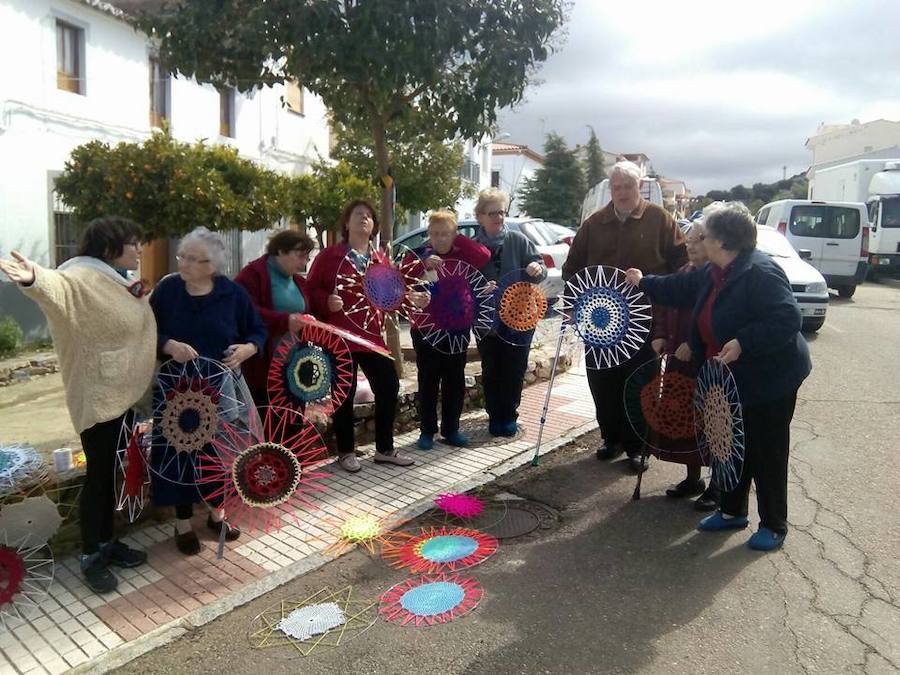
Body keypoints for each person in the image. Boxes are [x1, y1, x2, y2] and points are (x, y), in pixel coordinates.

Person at [626, 202, 811, 551]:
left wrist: (744, 342)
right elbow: (677, 288)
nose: (697, 240)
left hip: (769, 378)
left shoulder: (760, 272)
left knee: (765, 450)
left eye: (704, 235)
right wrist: (643, 282)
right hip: (727, 377)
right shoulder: (713, 271)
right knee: (729, 446)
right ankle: (732, 511)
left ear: (723, 241)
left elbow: (787, 319)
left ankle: (773, 524)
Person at [0, 217, 156, 593]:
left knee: (111, 474)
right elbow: (58, 287)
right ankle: (91, 554)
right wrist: (33, 278)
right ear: (107, 247)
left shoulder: (115, 278)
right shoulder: (81, 276)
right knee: (98, 479)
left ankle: (107, 542)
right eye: (132, 243)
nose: (139, 249)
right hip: (97, 396)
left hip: (120, 393)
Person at [562, 160, 687, 472]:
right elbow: (571, 269)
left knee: (640, 383)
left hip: (643, 320)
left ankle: (638, 446)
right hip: (598, 319)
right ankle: (611, 438)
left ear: (640, 185)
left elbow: (682, 265)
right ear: (610, 188)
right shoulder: (594, 224)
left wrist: (657, 290)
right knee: (602, 380)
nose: (622, 192)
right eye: (616, 187)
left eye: (628, 186)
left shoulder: (659, 219)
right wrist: (577, 301)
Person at [150, 226, 267, 555]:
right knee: (177, 454)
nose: (183, 263)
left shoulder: (232, 294)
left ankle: (218, 514)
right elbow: (145, 331)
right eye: (182, 256)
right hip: (176, 391)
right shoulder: (168, 290)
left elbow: (257, 330)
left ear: (211, 265)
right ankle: (182, 522)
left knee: (220, 454)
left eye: (192, 259)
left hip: (219, 390)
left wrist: (248, 349)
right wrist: (168, 344)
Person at [305, 199, 420, 472]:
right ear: (346, 223)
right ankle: (346, 452)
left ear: (374, 226)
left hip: (371, 338)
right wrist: (325, 301)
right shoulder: (329, 257)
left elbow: (389, 297)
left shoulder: (379, 258)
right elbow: (308, 290)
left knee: (389, 385)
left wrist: (412, 298)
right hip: (339, 337)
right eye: (358, 215)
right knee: (343, 394)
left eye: (368, 216)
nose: (364, 219)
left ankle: (385, 450)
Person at [409, 210, 491, 450]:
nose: (440, 239)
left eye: (446, 233)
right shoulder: (419, 256)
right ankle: (427, 431)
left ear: (454, 234)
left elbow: (483, 254)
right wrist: (424, 261)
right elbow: (401, 279)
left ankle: (451, 429)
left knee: (454, 379)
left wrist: (459, 240)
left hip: (457, 328)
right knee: (428, 380)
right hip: (426, 330)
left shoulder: (463, 253)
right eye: (435, 234)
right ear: (428, 235)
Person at [473, 188, 547, 437]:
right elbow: (464, 283)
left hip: (519, 318)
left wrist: (537, 268)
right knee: (491, 370)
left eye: (502, 212)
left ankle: (510, 415)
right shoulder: (473, 248)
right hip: (486, 322)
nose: (499, 217)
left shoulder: (518, 240)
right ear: (480, 216)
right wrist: (478, 289)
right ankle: (495, 416)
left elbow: (541, 269)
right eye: (492, 213)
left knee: (514, 369)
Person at [656, 219, 719, 511]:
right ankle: (692, 477)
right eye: (688, 240)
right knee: (683, 421)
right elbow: (664, 302)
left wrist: (693, 344)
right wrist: (659, 335)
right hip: (677, 359)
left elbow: (715, 320)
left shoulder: (717, 278)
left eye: (698, 240)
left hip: (705, 362)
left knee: (711, 423)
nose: (691, 246)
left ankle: (718, 486)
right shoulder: (684, 272)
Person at [234, 229, 315, 405]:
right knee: (266, 424)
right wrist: (284, 321)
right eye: (300, 256)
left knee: (293, 424)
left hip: (296, 368)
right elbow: (245, 312)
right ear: (280, 250)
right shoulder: (252, 275)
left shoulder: (299, 282)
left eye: (306, 258)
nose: (303, 264)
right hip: (263, 369)